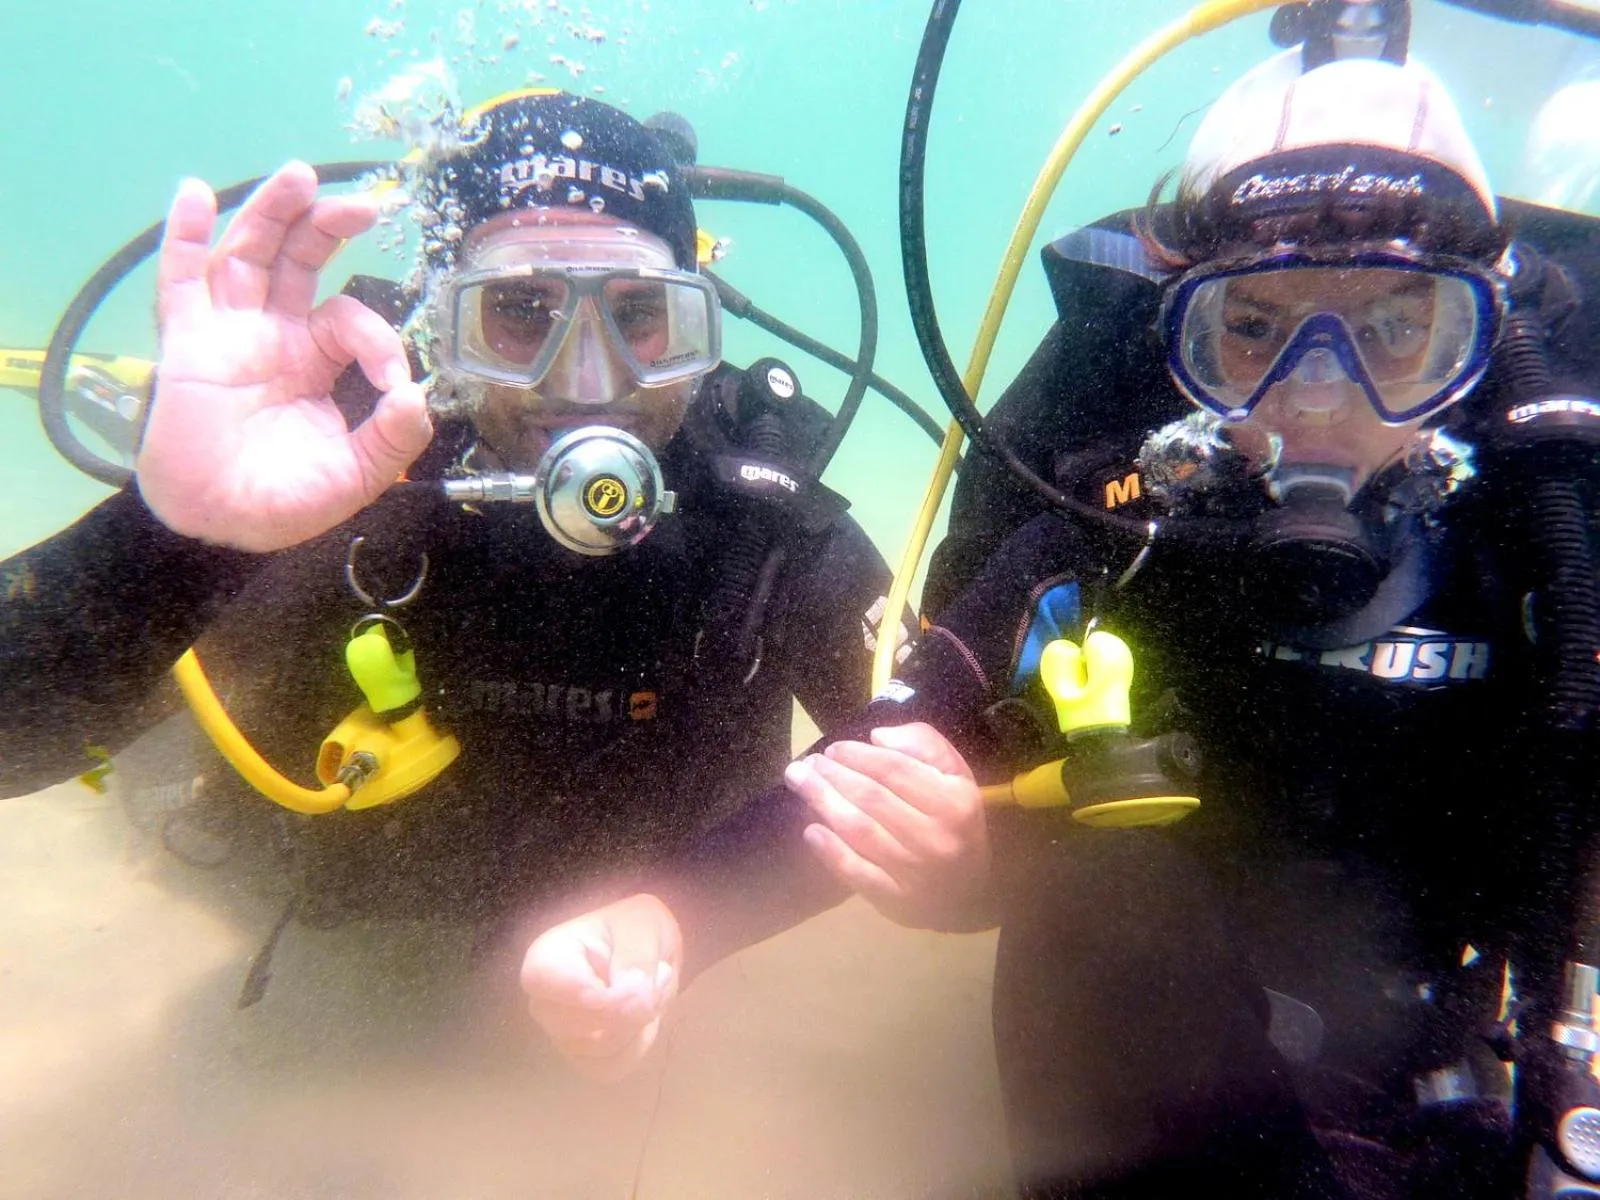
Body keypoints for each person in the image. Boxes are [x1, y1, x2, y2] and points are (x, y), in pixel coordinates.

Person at [520, 44, 1600, 1198]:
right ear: (1179, 347)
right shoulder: (1107, 532)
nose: (1318, 393)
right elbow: (885, 753)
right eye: (1253, 329)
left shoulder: (1550, 525)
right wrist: (664, 923)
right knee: (1093, 867)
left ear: (1475, 342)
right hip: (1151, 1072)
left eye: (1392, 331)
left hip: (1450, 1049)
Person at [0, 90, 904, 977]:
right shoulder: (346, 464)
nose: (586, 382)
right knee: (141, 787)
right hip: (315, 939)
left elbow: (935, 759)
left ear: (694, 322)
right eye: (518, 312)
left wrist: (686, 922)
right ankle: (132, 405)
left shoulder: (761, 516)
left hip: (625, 975)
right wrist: (177, 539)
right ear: (442, 326)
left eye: (636, 315)